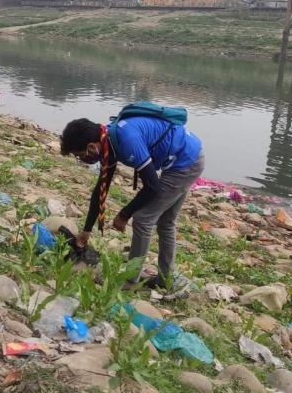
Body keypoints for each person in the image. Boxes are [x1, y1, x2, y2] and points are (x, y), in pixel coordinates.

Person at [60, 110, 204, 293]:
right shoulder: (108, 140)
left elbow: (152, 186)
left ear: (91, 147)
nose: (81, 159)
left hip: (185, 163)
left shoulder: (127, 141)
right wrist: (87, 230)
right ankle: (165, 278)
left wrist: (124, 214)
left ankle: (130, 280)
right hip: (187, 155)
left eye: (79, 155)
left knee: (143, 219)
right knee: (166, 222)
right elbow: (100, 190)